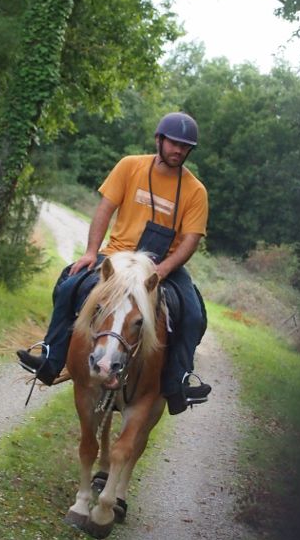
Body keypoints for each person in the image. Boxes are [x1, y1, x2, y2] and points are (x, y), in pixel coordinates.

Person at [17, 112, 211, 415]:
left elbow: (191, 240)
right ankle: (51, 358)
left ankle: (179, 382)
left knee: (194, 315)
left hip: (162, 266)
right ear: (159, 140)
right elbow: (105, 210)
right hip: (118, 255)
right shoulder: (130, 166)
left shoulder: (195, 190)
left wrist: (164, 269)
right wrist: (91, 252)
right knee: (69, 286)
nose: (178, 150)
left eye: (185, 146)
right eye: (173, 143)